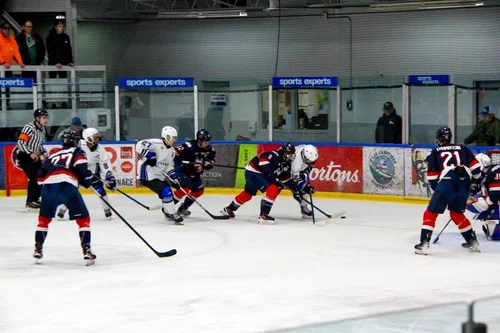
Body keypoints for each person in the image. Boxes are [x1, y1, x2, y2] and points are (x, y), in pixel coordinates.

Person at [414, 126, 482, 255]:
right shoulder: (463, 148)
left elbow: (433, 177)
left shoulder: (436, 152)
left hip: (447, 183)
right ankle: (473, 242)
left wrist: (440, 190)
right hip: (465, 184)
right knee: (456, 214)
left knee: (430, 213)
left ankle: (423, 244)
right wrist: (474, 184)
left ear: (438, 139)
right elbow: (477, 168)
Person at [33, 130, 95, 265]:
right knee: (84, 220)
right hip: (66, 185)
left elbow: (39, 176)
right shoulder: (77, 152)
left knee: (43, 220)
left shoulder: (54, 154)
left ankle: (38, 249)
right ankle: (87, 251)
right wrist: (86, 180)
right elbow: (81, 168)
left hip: (47, 187)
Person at [221, 143, 298, 224]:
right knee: (273, 188)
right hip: (254, 172)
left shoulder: (286, 164)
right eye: (290, 154)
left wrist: (296, 190)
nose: (291, 156)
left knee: (248, 194)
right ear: (284, 152)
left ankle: (229, 209)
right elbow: (262, 161)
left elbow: (285, 179)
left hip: (253, 173)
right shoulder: (275, 155)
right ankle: (263, 215)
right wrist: (270, 172)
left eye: (292, 154)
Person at [57, 127, 116, 220]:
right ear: (88, 138)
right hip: (78, 173)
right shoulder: (78, 144)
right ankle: (62, 210)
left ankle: (107, 210)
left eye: (97, 137)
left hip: (92, 174)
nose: (98, 139)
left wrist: (109, 176)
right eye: (95, 137)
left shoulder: (101, 150)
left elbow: (105, 164)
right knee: (71, 192)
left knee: (101, 192)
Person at [136, 126, 183, 224]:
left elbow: (168, 167)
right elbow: (139, 145)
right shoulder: (155, 143)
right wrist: (149, 155)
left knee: (167, 195)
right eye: (173, 137)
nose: (175, 140)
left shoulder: (172, 152)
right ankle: (173, 214)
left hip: (159, 176)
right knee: (167, 192)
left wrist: (174, 178)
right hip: (148, 175)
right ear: (167, 136)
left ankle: (167, 212)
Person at [173, 129, 216, 217]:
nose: (207, 143)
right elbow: (174, 152)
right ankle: (167, 208)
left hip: (195, 173)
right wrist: (178, 159)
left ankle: (183, 208)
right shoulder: (189, 146)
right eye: (205, 141)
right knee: (184, 189)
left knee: (198, 191)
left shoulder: (210, 149)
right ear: (199, 140)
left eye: (208, 141)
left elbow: (212, 160)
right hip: (183, 170)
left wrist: (209, 163)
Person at [16, 109, 48, 209]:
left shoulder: (43, 129)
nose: (46, 120)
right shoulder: (29, 127)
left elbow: (39, 144)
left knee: (40, 176)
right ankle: (30, 201)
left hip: (35, 156)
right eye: (43, 118)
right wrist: (30, 153)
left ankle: (35, 198)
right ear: (37, 118)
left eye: (46, 118)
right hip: (25, 156)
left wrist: (43, 151)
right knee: (34, 177)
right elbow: (21, 142)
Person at [466, 153, 500, 240]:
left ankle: (492, 216)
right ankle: (490, 216)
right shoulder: (486, 173)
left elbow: (495, 194)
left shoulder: (494, 171)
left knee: (479, 201)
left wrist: (490, 207)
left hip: (496, 204)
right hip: (495, 204)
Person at [290, 144, 319, 218]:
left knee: (302, 190)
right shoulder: (296, 164)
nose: (311, 162)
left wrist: (307, 168)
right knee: (301, 190)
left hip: (298, 170)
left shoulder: (307, 149)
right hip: (288, 172)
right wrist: (306, 187)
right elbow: (295, 179)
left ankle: (304, 208)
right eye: (309, 161)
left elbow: (310, 162)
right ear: (304, 157)